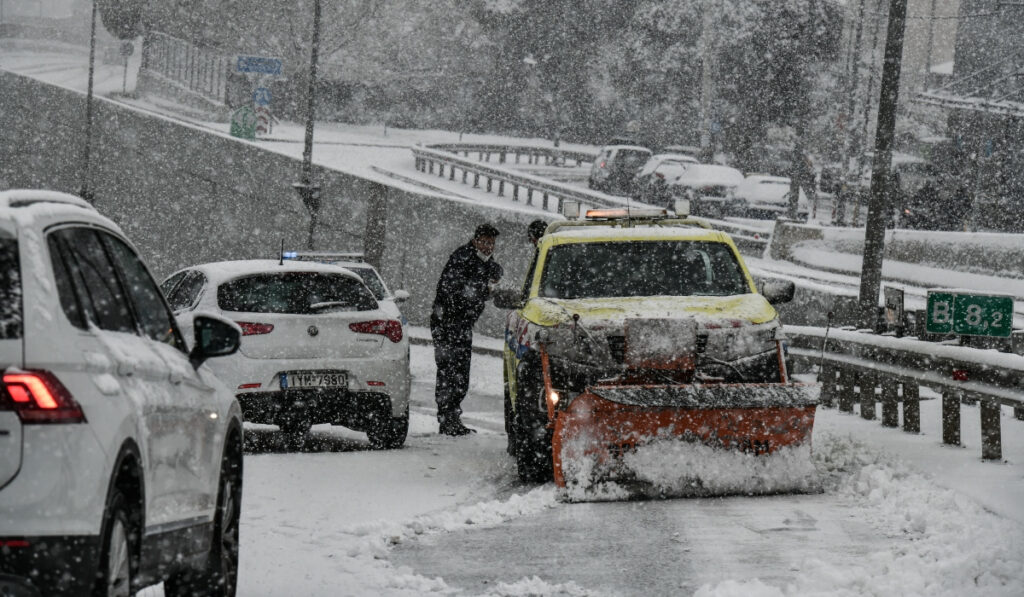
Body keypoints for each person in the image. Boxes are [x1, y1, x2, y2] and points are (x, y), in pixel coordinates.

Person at [431, 224, 503, 435]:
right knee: (449, 371)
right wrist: (482, 290)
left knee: (461, 373)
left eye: (491, 243)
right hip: (448, 323)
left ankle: (453, 417)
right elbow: (454, 291)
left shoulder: (481, 261)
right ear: (475, 240)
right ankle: (446, 419)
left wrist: (495, 274)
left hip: (462, 325)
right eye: (484, 242)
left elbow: (494, 270)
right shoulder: (462, 258)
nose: (488, 247)